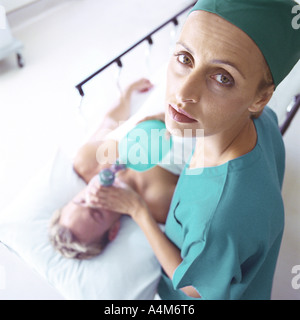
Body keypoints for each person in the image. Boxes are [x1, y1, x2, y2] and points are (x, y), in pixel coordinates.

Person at [90, 0, 300, 299]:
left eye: (222, 78)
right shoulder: (260, 123)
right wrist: (168, 118)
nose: (182, 93)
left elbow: (194, 288)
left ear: (260, 97)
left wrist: (137, 211)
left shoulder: (220, 218)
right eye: (185, 58)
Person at [49, 78, 180, 260]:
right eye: (96, 212)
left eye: (82, 201)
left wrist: (127, 94)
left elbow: (110, 122)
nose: (94, 196)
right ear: (114, 230)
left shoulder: (87, 162)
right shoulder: (159, 203)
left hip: (170, 85)